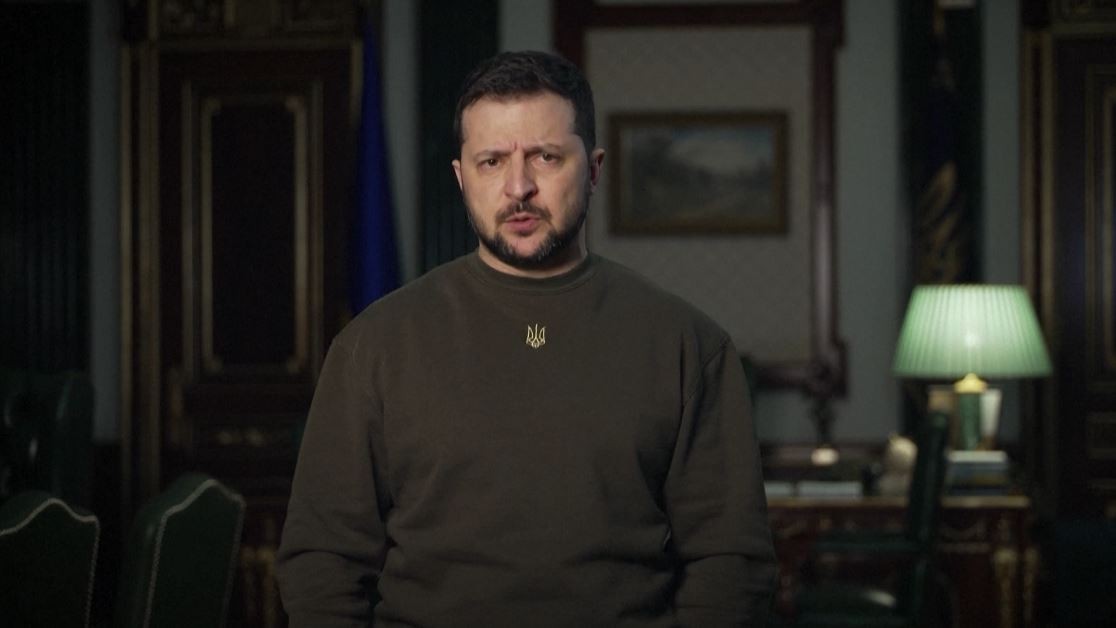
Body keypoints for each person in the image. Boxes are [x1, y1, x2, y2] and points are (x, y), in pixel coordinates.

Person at [276, 50, 776, 628]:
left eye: (545, 157)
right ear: (461, 177)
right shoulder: (373, 346)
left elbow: (730, 565)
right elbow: (323, 561)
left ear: (593, 169)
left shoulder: (688, 345)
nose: (519, 187)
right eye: (491, 161)